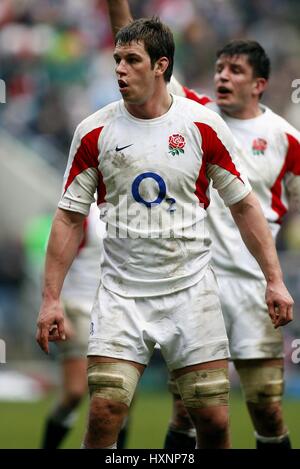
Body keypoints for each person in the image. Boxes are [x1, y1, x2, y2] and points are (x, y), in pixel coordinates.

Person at [36, 16, 293, 449]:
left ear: (161, 66)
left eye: (132, 60)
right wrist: (50, 299)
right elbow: (68, 217)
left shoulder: (202, 125)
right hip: (121, 294)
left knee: (213, 420)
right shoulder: (94, 131)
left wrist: (274, 279)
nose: (119, 68)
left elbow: (244, 204)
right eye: (117, 59)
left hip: (191, 291)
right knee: (104, 413)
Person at [106, 1, 300, 450]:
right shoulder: (194, 114)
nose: (222, 77)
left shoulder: (286, 139)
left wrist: (278, 276)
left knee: (267, 406)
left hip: (253, 286)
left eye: (234, 70)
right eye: (219, 68)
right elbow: (133, 44)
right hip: (200, 283)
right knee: (190, 407)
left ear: (260, 84)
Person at [40, 203, 130, 449]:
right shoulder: (84, 210)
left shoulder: (131, 205)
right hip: (78, 306)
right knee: (75, 392)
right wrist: (55, 304)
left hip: (117, 310)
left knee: (121, 397)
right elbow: (54, 256)